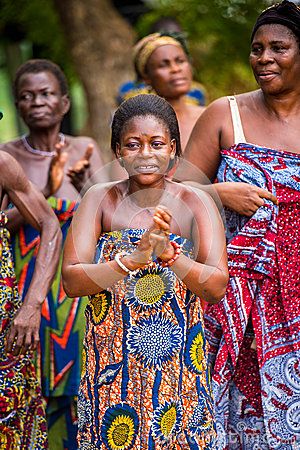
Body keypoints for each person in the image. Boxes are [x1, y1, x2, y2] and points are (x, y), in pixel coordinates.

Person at [62, 94, 228, 449]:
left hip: (178, 368)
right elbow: (72, 281)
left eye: (156, 144)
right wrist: (131, 261)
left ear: (173, 150)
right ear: (118, 151)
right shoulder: (99, 199)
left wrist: (171, 257)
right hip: (111, 368)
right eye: (133, 145)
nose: (146, 154)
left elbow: (215, 287)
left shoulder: (196, 202)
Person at [184, 1, 300, 448]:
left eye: (278, 48)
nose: (264, 58)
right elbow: (164, 196)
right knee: (236, 423)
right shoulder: (223, 114)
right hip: (232, 300)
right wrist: (217, 193)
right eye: (256, 49)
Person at [0, 59, 106, 449]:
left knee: (77, 379)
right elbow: (5, 225)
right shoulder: (7, 155)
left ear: (64, 102)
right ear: (17, 106)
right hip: (25, 282)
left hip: (75, 284)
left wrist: (85, 185)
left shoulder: (85, 149)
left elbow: (109, 218)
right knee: (31, 377)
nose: (37, 102)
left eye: (46, 94)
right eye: (26, 97)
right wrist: (44, 190)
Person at [0, 150, 61, 448]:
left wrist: (32, 305)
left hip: (6, 331)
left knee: (12, 426)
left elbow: (49, 225)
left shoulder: (2, 165)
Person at [133, 32, 205, 152]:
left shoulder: (209, 116)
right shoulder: (137, 125)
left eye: (180, 61)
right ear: (146, 77)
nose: (176, 69)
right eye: (163, 65)